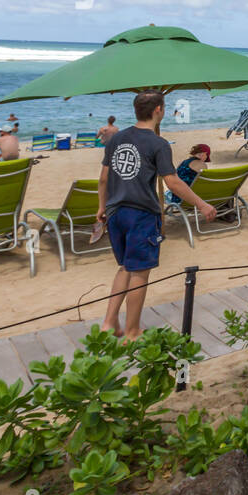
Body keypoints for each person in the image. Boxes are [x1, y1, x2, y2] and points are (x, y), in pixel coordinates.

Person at [97, 90, 215, 340]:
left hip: (115, 212)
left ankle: (109, 322)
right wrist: (202, 204)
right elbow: (172, 182)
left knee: (125, 268)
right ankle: (132, 331)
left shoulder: (117, 139)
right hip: (141, 214)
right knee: (139, 272)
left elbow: (104, 178)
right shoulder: (158, 144)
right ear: (159, 110)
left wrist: (101, 207)